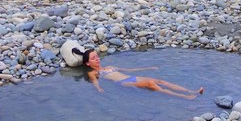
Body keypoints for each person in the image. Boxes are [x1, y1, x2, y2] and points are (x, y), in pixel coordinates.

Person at [72, 48, 204, 99]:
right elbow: (95, 81)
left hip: (131, 77)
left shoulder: (109, 66)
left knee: (160, 81)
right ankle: (183, 96)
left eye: (97, 56)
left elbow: (130, 71)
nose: (97, 59)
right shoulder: (93, 72)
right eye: (93, 58)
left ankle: (191, 91)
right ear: (88, 64)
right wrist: (99, 88)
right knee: (151, 84)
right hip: (124, 82)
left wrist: (148, 68)